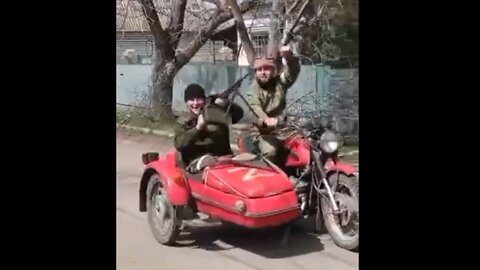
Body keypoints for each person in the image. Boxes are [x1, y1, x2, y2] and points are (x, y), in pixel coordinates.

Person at [247, 45, 301, 166]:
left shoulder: (279, 83)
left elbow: (291, 74)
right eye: (259, 70)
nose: (263, 72)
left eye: (266, 69)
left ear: (273, 70)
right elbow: (255, 108)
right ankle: (267, 177)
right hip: (262, 132)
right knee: (271, 151)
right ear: (255, 72)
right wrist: (266, 119)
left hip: (284, 128)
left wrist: (289, 58)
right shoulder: (253, 90)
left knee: (305, 145)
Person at [174, 83, 244, 173]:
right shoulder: (183, 121)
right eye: (191, 100)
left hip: (224, 161)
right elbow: (179, 144)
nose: (195, 103)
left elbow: (237, 116)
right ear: (186, 102)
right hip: (198, 165)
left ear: (204, 100)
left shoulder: (216, 112)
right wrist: (198, 128)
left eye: (198, 99)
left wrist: (225, 103)